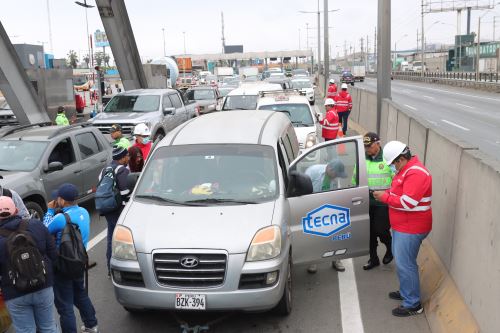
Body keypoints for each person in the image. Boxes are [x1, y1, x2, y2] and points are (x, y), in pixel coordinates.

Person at [372, 141, 432, 317]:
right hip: (403, 226)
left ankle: (413, 303)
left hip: (411, 227)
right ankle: (406, 291)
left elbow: (408, 202)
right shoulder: (406, 171)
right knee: (403, 262)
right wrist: (388, 194)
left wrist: (385, 197)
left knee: (406, 265)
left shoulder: (416, 174)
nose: (394, 167)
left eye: (394, 163)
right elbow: (400, 193)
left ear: (402, 158)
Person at [43, 183, 99, 332]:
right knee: (80, 294)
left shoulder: (61, 218)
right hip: (79, 261)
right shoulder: (84, 212)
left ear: (61, 200)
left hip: (63, 265)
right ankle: (91, 325)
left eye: (57, 198)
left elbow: (44, 229)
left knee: (65, 305)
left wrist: (49, 210)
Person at [0, 196, 58, 333]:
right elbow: (53, 254)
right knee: (48, 326)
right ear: (15, 211)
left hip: (14, 292)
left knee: (26, 330)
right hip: (43, 284)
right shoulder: (36, 225)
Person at [357, 133, 394, 271]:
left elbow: (396, 179)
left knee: (381, 230)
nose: (367, 150)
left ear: (378, 143)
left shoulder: (388, 159)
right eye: (365, 147)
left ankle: (390, 248)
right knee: (369, 233)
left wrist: (388, 195)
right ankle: (373, 258)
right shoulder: (362, 159)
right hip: (366, 201)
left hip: (383, 203)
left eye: (370, 146)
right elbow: (356, 176)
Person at [305, 160, 348, 273]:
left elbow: (335, 193)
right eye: (336, 174)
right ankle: (313, 261)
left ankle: (336, 259)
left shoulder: (334, 177)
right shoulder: (313, 171)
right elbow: (303, 190)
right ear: (330, 169)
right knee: (314, 236)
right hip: (312, 207)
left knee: (334, 234)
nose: (337, 177)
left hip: (328, 208)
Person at [99, 146, 130, 276]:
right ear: (122, 158)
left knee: (111, 238)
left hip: (107, 208)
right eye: (127, 156)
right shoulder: (122, 170)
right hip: (119, 209)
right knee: (122, 240)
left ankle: (109, 268)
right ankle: (121, 268)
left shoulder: (104, 170)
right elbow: (125, 192)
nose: (128, 158)